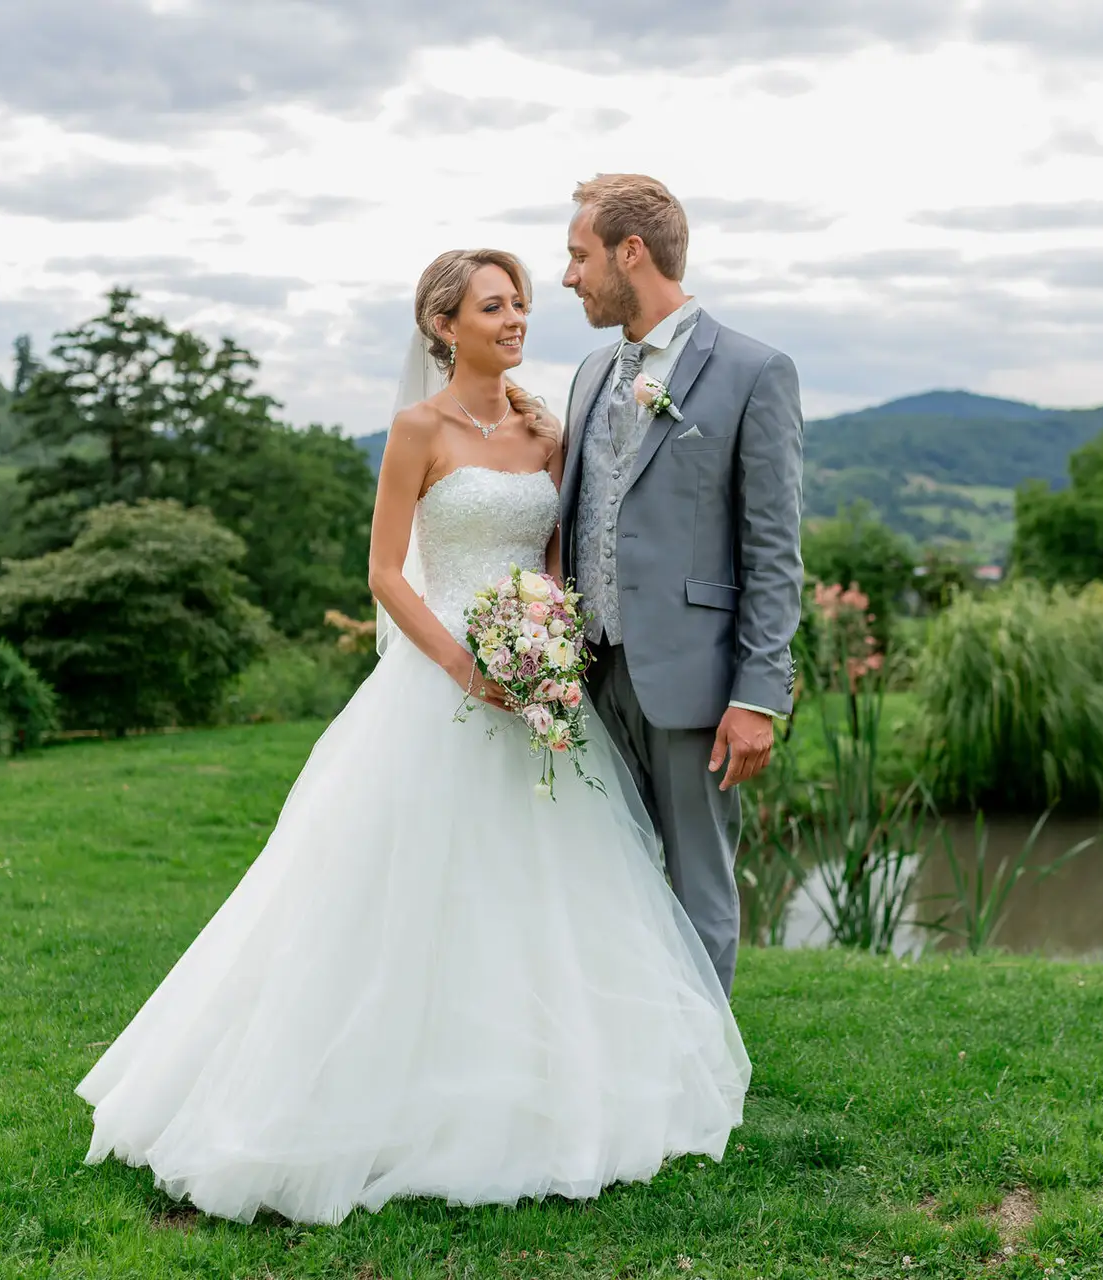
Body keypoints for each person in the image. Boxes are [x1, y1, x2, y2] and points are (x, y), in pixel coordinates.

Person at [76, 248, 749, 1227]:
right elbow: (386, 573)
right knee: (403, 891)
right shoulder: (417, 430)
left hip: (532, 695)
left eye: (521, 300)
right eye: (493, 304)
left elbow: (555, 557)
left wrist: (546, 646)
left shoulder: (542, 428)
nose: (516, 316)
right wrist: (466, 663)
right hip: (440, 685)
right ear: (444, 325)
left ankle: (535, 1079)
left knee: (539, 894)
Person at [561, 174, 805, 995]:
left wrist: (758, 695)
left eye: (578, 255)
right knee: (604, 883)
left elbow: (774, 550)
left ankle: (702, 1096)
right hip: (590, 677)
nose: (569, 277)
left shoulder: (754, 371)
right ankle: (626, 1068)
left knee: (699, 891)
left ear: (631, 253)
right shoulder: (592, 372)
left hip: (695, 686)